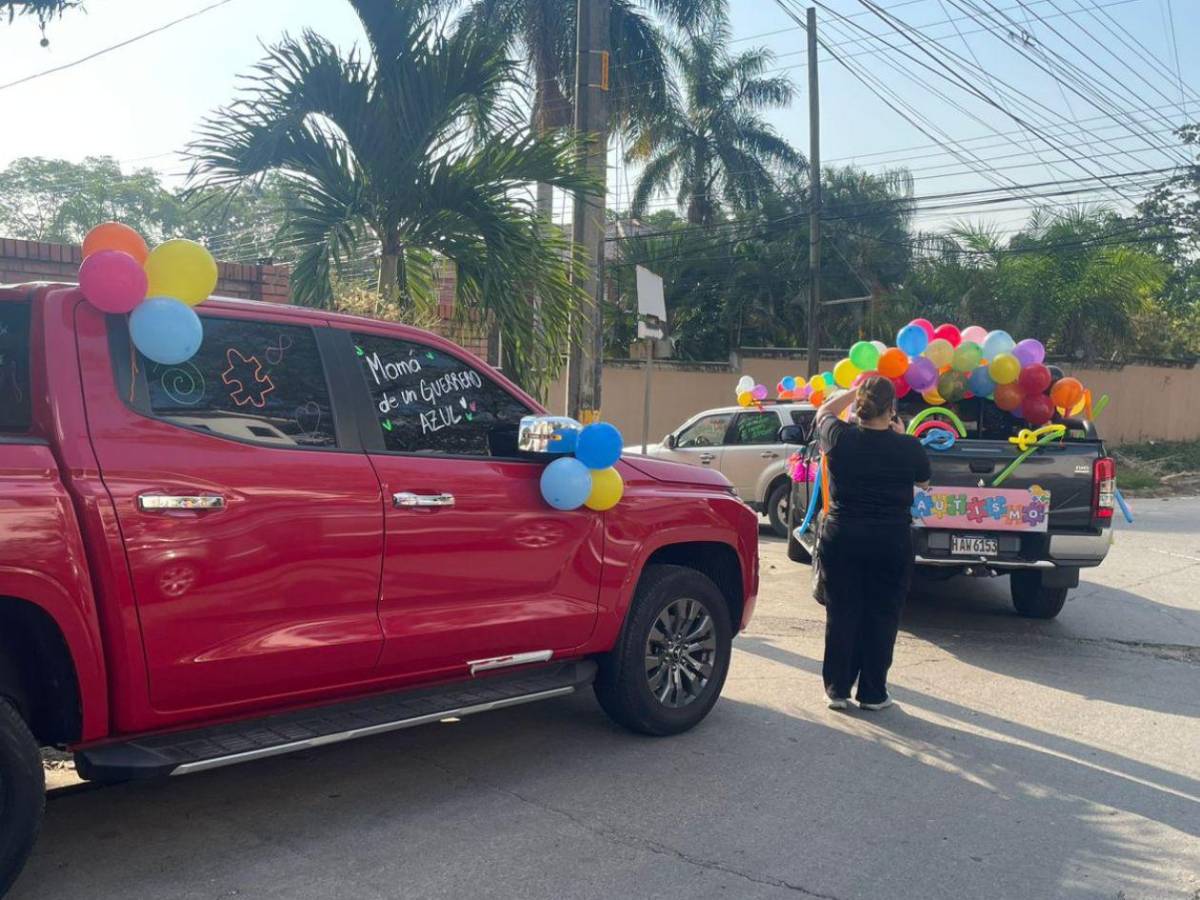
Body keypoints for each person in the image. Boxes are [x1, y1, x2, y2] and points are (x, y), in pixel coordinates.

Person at [812, 375, 931, 711]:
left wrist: (852, 390)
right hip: (890, 539)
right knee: (882, 614)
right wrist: (903, 436)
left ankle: (837, 690)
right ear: (891, 409)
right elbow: (923, 479)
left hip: (843, 536)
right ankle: (873, 693)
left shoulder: (840, 438)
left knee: (842, 611)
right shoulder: (908, 447)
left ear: (860, 405)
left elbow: (823, 410)